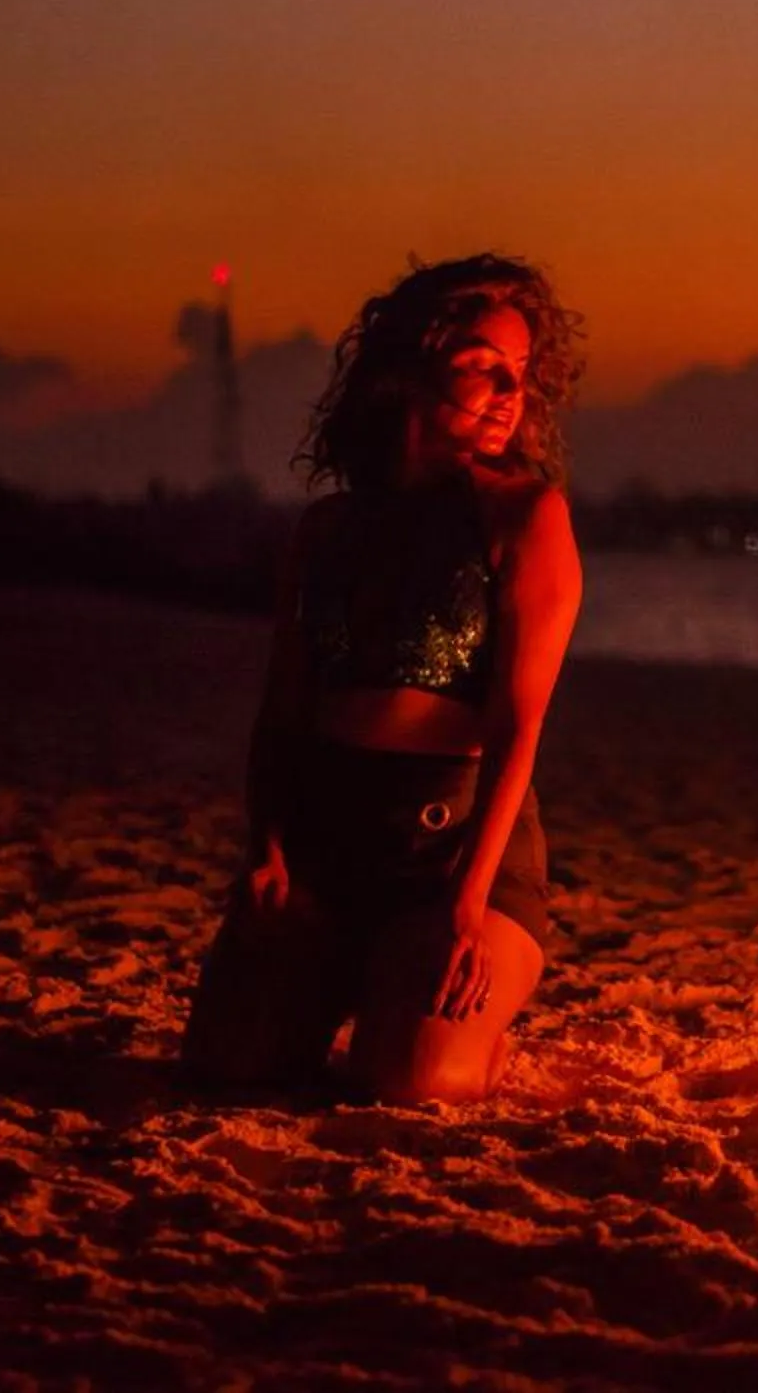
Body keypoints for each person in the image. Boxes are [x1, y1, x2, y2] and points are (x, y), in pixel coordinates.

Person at [180, 254, 583, 1102]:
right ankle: (361, 975)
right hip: (326, 845)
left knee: (413, 1082)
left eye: (519, 371)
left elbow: (520, 722)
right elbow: (284, 707)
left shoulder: (524, 515)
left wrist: (467, 903)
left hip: (455, 849)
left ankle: (461, 1028)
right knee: (229, 1067)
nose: (509, 390)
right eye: (482, 366)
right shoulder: (329, 529)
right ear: (409, 372)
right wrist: (269, 848)